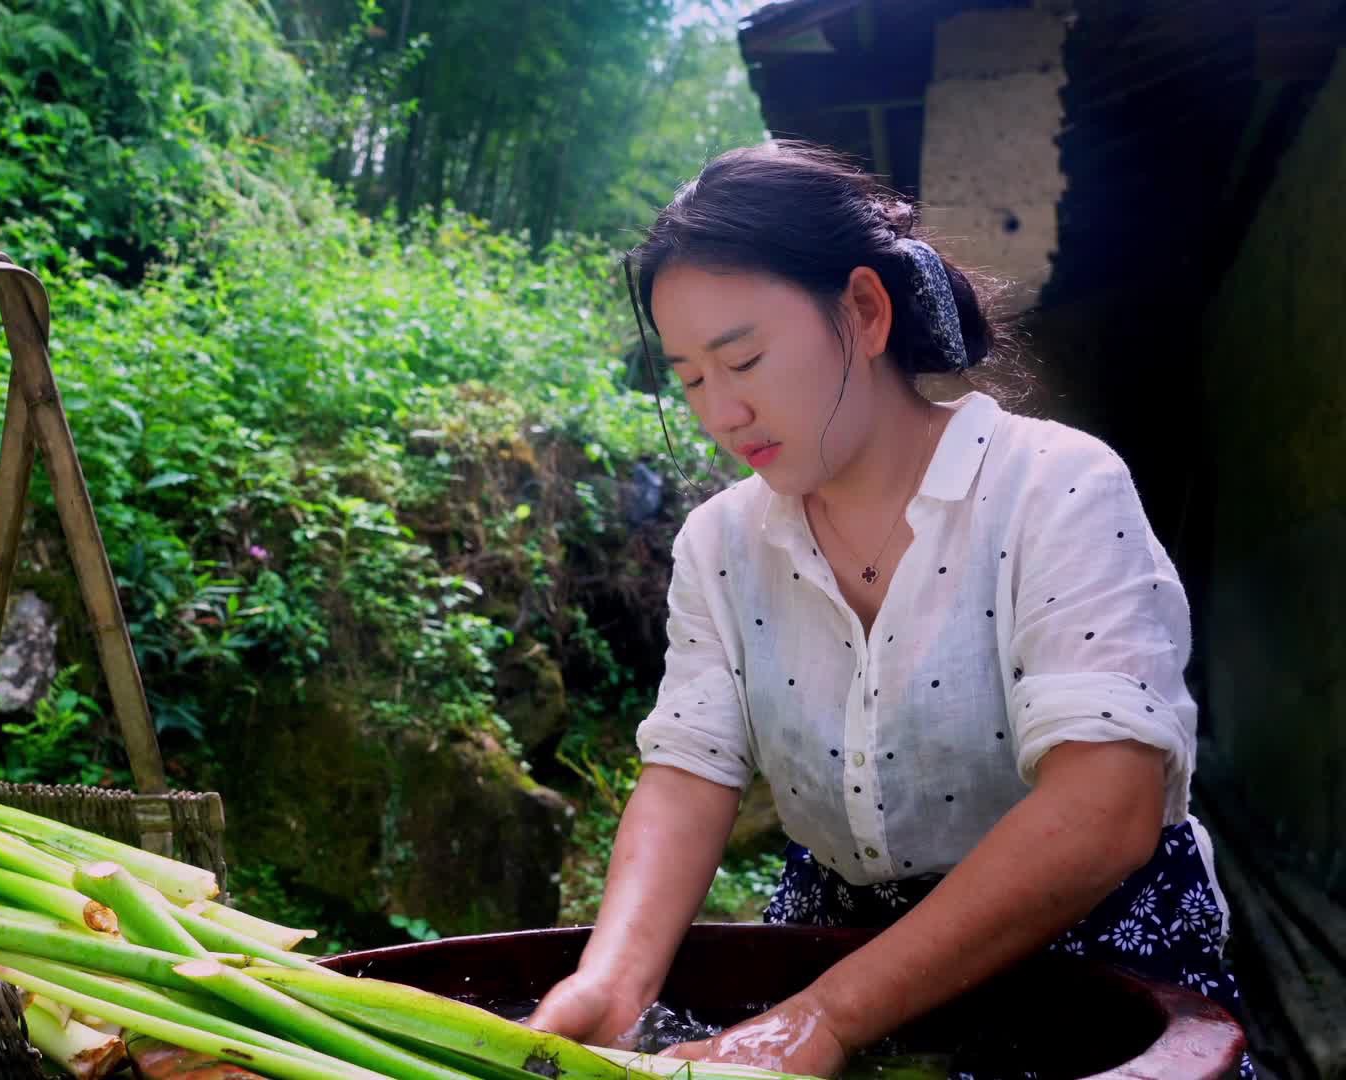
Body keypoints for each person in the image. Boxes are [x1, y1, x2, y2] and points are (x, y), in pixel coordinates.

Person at [523, 142, 1250, 1078]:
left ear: (864, 312)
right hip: (837, 940)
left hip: (1090, 952)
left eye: (743, 359)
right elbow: (689, 772)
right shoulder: (719, 544)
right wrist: (613, 981)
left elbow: (1105, 806)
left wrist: (826, 1017)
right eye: (693, 378)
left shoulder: (1053, 488)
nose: (722, 412)